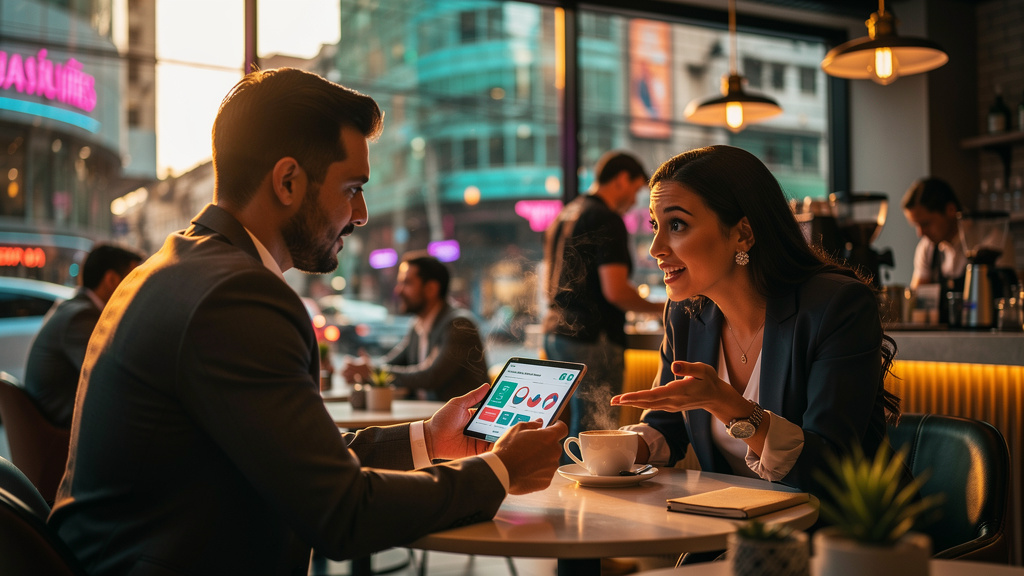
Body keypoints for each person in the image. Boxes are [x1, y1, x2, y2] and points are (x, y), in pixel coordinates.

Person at [49, 68, 566, 576]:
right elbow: (343, 514)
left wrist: (429, 439)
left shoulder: (177, 266)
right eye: (351, 188)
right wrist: (502, 469)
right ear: (289, 181)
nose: (361, 214)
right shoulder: (238, 295)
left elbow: (296, 461)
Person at [611, 145, 904, 506]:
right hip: (738, 531)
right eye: (656, 226)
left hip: (844, 535)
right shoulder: (684, 314)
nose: (655, 247)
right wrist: (611, 449)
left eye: (677, 225)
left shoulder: (837, 306)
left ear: (743, 234)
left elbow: (830, 466)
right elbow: (666, 428)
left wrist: (731, 406)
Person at [542, 151, 664, 440]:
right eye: (636, 190)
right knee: (596, 430)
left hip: (557, 333)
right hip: (592, 340)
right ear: (622, 180)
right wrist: (665, 308)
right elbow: (616, 291)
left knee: (561, 430)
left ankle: (561, 485)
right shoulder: (606, 219)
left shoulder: (566, 213)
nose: (634, 201)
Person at [23, 244, 144, 428]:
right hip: (61, 432)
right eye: (136, 280)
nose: (140, 290)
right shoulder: (80, 317)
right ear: (111, 279)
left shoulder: (77, 308)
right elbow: (112, 377)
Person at [340, 254, 489, 401]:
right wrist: (363, 369)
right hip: (428, 419)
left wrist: (372, 371)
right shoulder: (417, 325)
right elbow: (391, 364)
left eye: (407, 283)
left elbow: (430, 377)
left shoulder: (459, 325)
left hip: (462, 423)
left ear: (431, 288)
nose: (398, 290)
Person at [901, 177, 966, 291]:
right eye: (916, 225)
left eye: (925, 224)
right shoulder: (927, 248)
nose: (920, 233)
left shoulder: (988, 241)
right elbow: (917, 301)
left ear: (950, 210)